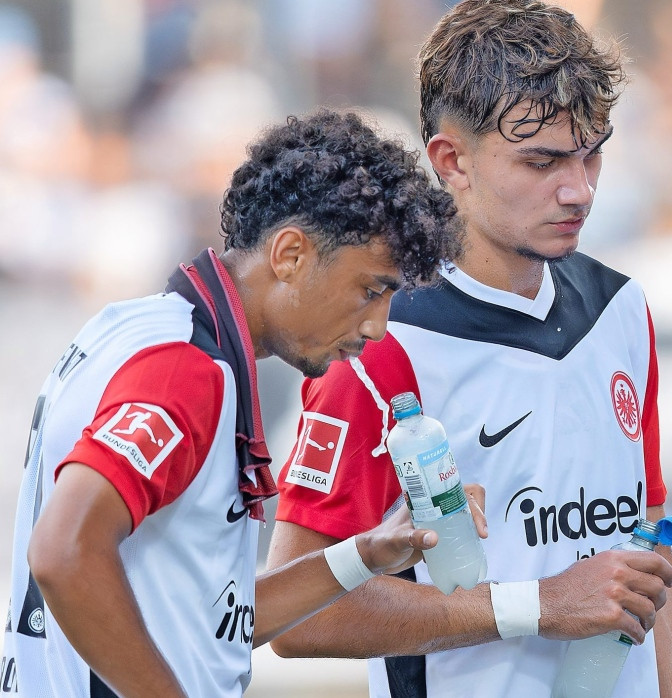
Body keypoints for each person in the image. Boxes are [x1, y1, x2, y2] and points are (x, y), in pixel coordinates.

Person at [265, 1, 672, 696]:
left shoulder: (622, 307)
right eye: (542, 161)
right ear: (452, 160)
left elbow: (650, 552)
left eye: (592, 154)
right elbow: (292, 615)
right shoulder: (380, 346)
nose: (578, 188)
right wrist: (540, 605)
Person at [3, 109, 474, 697]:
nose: (378, 326)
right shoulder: (187, 372)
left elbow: (208, 626)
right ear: (290, 255)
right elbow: (63, 552)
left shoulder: (137, 326)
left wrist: (366, 555)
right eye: (370, 290)